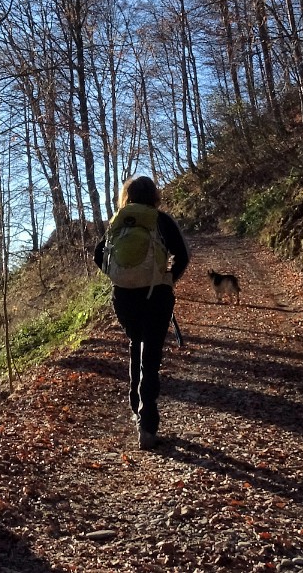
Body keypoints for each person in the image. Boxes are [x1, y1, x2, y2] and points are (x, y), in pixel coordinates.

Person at [93, 175, 189, 450]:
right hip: (156, 295)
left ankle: (136, 407)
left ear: (128, 195)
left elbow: (98, 254)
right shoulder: (161, 220)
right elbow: (182, 255)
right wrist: (170, 277)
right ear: (155, 195)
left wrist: (118, 277)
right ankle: (147, 422)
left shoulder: (119, 221)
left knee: (137, 342)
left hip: (123, 296)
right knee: (152, 352)